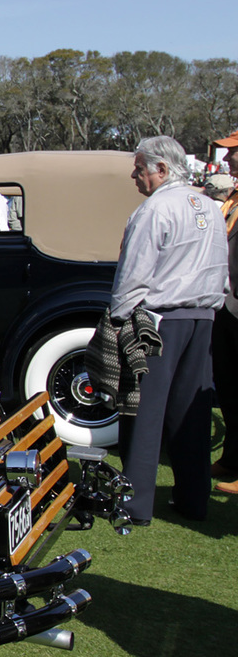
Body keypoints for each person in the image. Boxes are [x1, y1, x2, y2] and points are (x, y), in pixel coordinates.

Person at [109, 136, 227, 525]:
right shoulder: (209, 206)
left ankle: (135, 504)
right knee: (189, 412)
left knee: (144, 411)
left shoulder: (154, 210)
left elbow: (135, 271)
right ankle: (194, 499)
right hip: (203, 316)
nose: (134, 175)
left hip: (159, 319)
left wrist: (118, 317)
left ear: (161, 169)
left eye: (139, 168)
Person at [214, 148, 238, 492]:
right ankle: (232, 459)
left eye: (234, 152)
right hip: (226, 305)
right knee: (230, 389)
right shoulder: (231, 198)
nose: (227, 158)